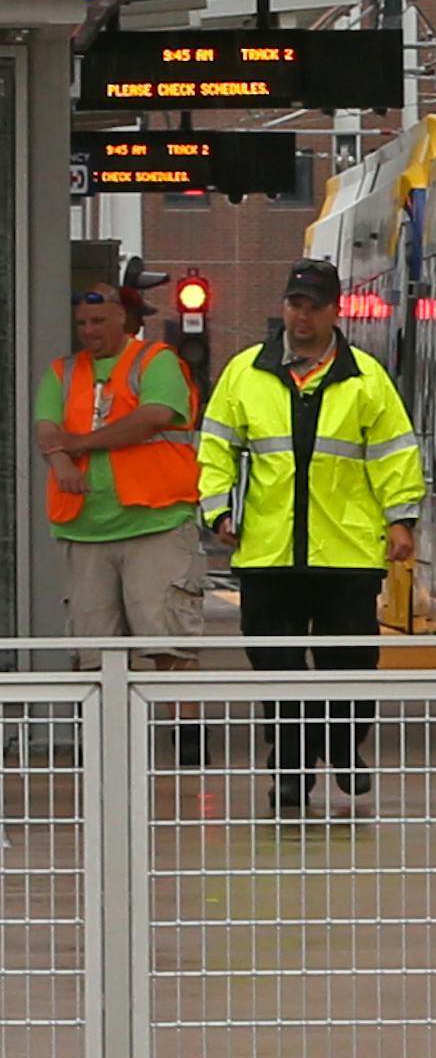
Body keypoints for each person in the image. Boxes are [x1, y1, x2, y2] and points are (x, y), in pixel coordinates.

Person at [197, 258, 424, 815]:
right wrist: (219, 512)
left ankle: (344, 748)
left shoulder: (367, 380)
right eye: (295, 304)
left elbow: (395, 453)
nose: (302, 315)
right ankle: (292, 770)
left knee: (349, 661)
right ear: (284, 307)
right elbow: (216, 450)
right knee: (277, 667)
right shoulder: (245, 373)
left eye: (314, 306)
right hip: (268, 552)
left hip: (345, 551)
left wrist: (401, 520)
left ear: (334, 311)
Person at [34, 282, 206, 758]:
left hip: (155, 522)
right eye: (83, 324)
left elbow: (152, 417)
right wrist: (60, 459)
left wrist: (80, 445)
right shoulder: (62, 373)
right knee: (94, 650)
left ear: (125, 321)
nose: (89, 332)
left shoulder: (157, 362)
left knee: (168, 640)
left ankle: (187, 744)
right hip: (84, 528)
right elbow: (46, 427)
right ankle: (108, 744)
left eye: (99, 322)